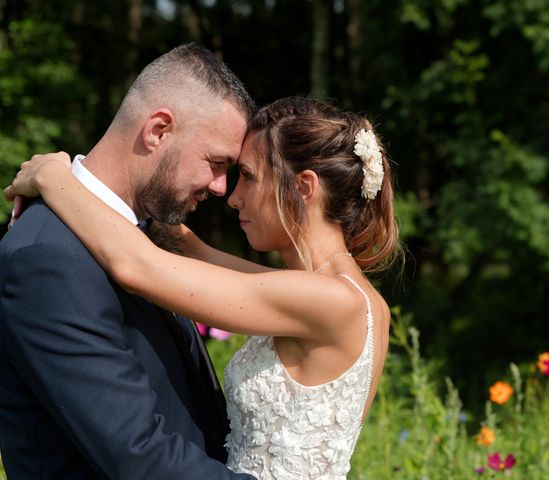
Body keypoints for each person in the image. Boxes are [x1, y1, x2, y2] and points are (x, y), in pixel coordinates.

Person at [5, 96, 400, 479]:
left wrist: (53, 176)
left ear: (303, 187)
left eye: (247, 176)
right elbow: (189, 247)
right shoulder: (344, 295)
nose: (233, 197)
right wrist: (117, 182)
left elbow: (137, 266)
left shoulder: (330, 301)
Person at [0, 43, 257, 479]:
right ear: (157, 130)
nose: (220, 187)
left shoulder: (150, 234)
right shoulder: (46, 257)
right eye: (216, 163)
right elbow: (139, 457)